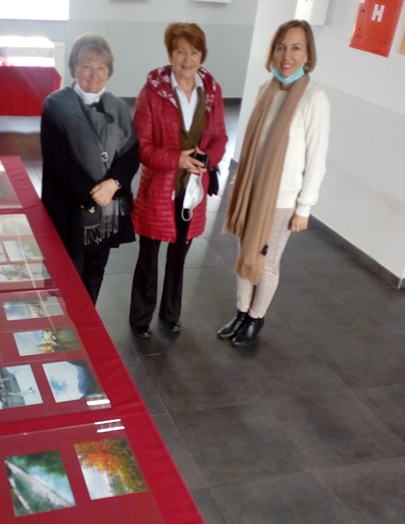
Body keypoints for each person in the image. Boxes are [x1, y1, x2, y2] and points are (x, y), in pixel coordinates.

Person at [217, 19, 330, 346]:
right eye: (281, 47)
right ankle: (241, 312)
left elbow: (317, 158)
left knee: (266, 263)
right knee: (244, 254)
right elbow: (255, 142)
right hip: (252, 192)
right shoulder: (265, 88)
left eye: (296, 47)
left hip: (282, 199)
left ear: (307, 54)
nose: (286, 55)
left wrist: (304, 207)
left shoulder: (314, 98)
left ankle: (256, 317)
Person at [129, 22, 227, 337]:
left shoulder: (211, 91)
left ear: (202, 55)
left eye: (194, 52)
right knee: (149, 256)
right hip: (159, 188)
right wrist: (177, 159)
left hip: (193, 188)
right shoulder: (152, 93)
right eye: (180, 51)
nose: (187, 59)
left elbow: (221, 137)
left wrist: (208, 158)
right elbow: (141, 146)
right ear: (170, 55)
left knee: (179, 255)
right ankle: (140, 318)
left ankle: (171, 314)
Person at [41, 34, 139, 304]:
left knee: (96, 270)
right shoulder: (55, 105)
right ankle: (66, 321)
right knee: (67, 271)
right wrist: (92, 193)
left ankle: (88, 320)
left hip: (106, 209)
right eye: (86, 65)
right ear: (74, 67)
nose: (93, 74)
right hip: (70, 207)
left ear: (109, 71)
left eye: (101, 67)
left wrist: (113, 184)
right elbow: (57, 160)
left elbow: (131, 152)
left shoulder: (118, 107)